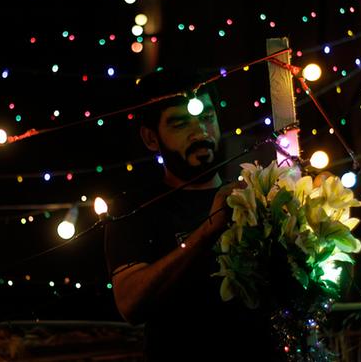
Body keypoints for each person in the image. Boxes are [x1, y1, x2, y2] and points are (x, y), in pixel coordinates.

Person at [104, 68, 279, 361]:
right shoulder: (134, 209)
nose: (200, 132)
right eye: (180, 123)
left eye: (207, 117)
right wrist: (207, 232)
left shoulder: (253, 199)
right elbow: (129, 303)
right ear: (151, 138)